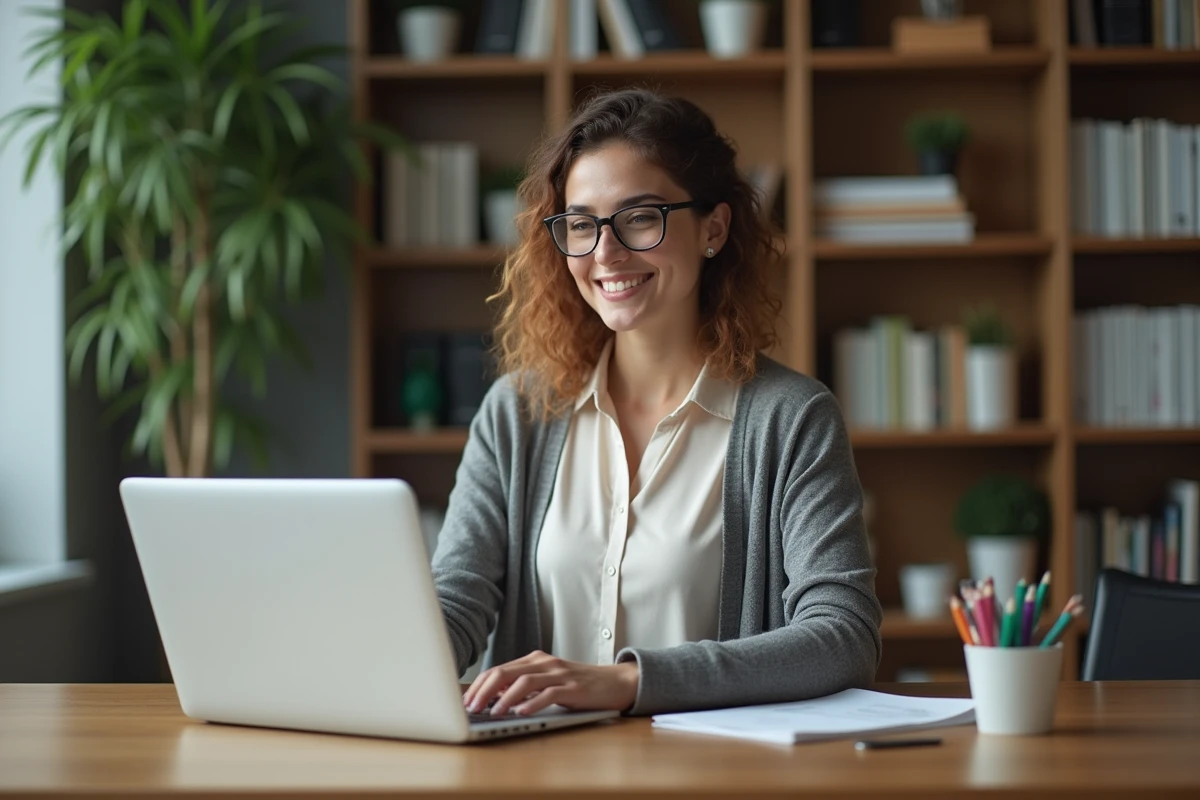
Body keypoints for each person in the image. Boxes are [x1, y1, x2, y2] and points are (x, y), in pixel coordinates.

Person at [432, 88, 882, 719]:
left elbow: (843, 637)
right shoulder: (517, 413)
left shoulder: (791, 418)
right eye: (581, 224)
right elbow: (455, 603)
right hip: (536, 774)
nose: (605, 254)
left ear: (713, 229)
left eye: (640, 217)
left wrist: (628, 683)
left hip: (716, 776)